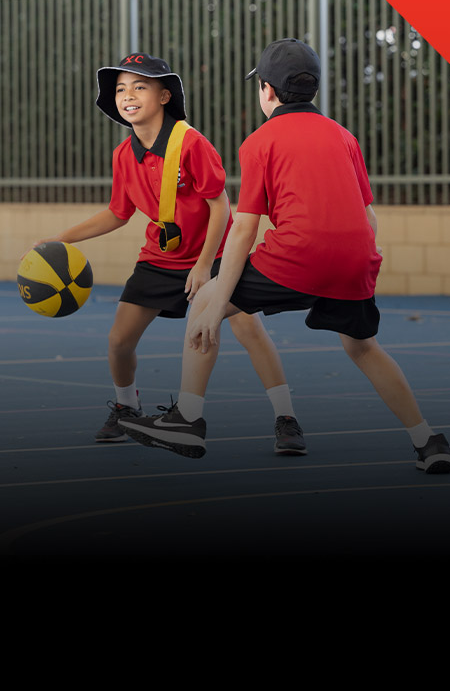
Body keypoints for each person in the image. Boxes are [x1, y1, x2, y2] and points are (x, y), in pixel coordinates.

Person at [118, 39, 450, 474]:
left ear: (268, 91)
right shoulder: (344, 136)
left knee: (203, 301)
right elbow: (368, 217)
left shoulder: (260, 141)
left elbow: (244, 227)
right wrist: (366, 257)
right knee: (364, 347)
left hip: (298, 256)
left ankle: (188, 418)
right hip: (357, 259)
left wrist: (218, 299)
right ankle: (429, 441)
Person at [33, 52, 305, 453]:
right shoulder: (124, 155)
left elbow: (221, 207)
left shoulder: (190, 143)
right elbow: (117, 213)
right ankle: (126, 409)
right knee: (119, 340)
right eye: (121, 89)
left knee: (247, 328)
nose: (128, 94)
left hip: (212, 257)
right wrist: (62, 239)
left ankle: (286, 418)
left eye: (140, 86)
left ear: (164, 96)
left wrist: (203, 266)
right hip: (159, 259)